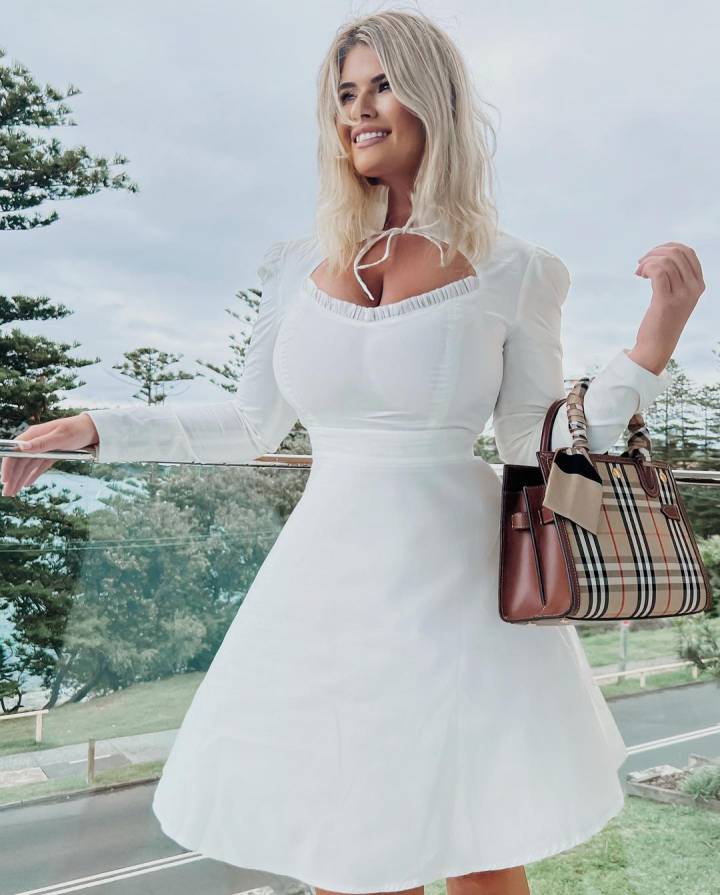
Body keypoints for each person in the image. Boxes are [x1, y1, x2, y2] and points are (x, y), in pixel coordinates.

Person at [1, 11, 705, 895]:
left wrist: (649, 348)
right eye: (344, 93)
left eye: (381, 86)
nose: (359, 110)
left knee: (476, 852)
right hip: (327, 596)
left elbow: (533, 442)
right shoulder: (296, 264)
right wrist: (99, 428)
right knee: (348, 850)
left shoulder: (518, 268)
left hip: (458, 593)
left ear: (435, 101)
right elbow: (252, 424)